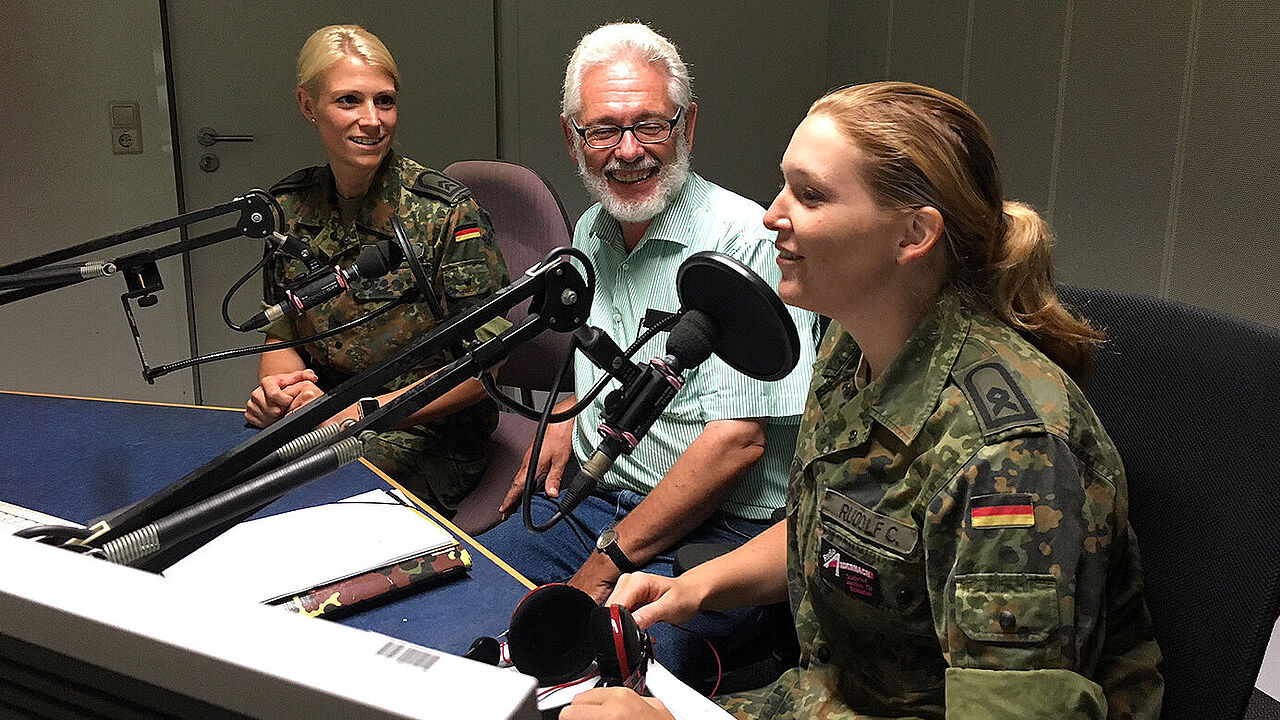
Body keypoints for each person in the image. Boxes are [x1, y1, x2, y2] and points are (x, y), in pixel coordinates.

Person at [567, 82, 1164, 719]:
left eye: (811, 194)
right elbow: (836, 530)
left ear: (912, 234)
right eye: (784, 185)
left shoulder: (1011, 455)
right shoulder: (851, 347)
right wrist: (694, 588)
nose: (773, 214)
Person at [478, 22, 820, 680]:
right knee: (471, 601)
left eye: (649, 126)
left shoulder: (745, 242)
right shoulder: (594, 228)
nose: (627, 152)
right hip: (599, 499)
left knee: (601, 673)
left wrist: (605, 564)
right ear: (572, 138)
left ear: (687, 125)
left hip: (718, 533)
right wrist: (573, 410)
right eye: (603, 130)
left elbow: (738, 444)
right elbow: (615, 351)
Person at [244, 24, 510, 514]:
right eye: (349, 100)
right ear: (308, 106)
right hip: (328, 417)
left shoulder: (444, 212)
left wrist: (358, 415)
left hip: (428, 433)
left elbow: (485, 367)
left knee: (300, 502)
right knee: (231, 480)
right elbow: (283, 333)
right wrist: (280, 393)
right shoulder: (289, 208)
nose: (372, 120)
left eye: (384, 101)